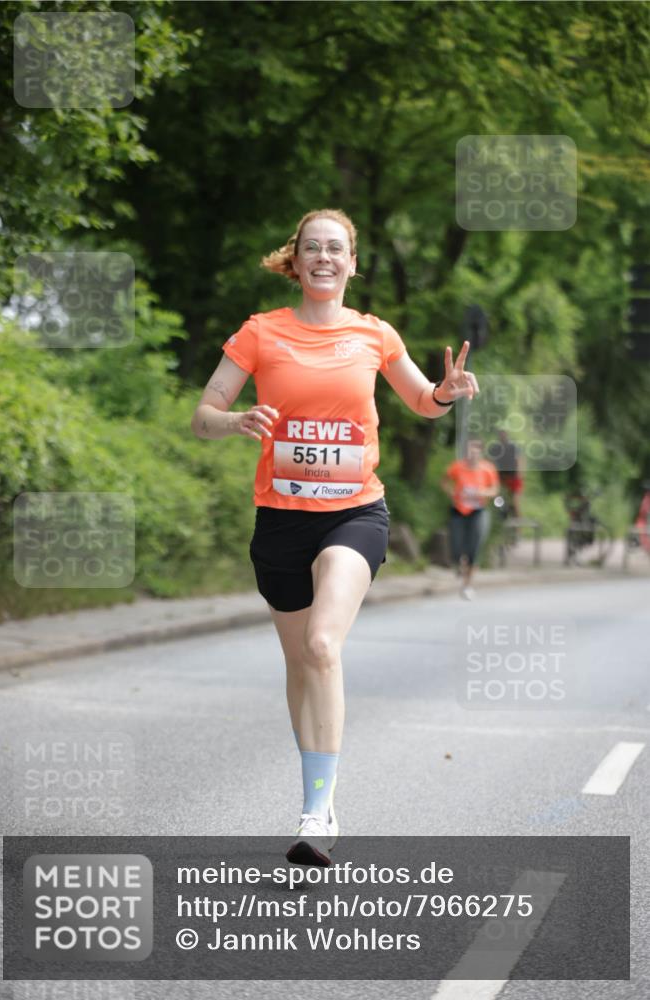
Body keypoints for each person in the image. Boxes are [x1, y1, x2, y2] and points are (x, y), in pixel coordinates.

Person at [191, 208, 479, 866]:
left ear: (352, 264)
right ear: (295, 262)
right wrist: (234, 422)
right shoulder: (260, 332)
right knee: (301, 664)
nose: (324, 257)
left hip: (354, 513)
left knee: (323, 644)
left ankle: (316, 812)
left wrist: (444, 392)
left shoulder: (374, 334)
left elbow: (421, 401)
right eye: (312, 248)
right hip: (280, 521)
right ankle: (317, 799)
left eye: (336, 249)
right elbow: (203, 415)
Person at [442, 438, 499, 600]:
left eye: (476, 451)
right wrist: (452, 493)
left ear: (480, 453)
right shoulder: (457, 467)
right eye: (470, 451)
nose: (473, 454)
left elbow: (494, 490)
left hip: (478, 511)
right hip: (459, 510)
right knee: (456, 546)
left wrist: (482, 492)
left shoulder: (487, 469)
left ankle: (467, 585)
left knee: (474, 547)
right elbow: (445, 481)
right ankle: (459, 565)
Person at [490, 428, 524, 518]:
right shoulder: (495, 448)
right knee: (499, 497)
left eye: (504, 434)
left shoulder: (513, 446)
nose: (502, 436)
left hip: (513, 476)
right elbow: (492, 462)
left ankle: (517, 521)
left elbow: (519, 460)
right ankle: (503, 513)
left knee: (515, 500)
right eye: (501, 434)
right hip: (501, 476)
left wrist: (519, 473)